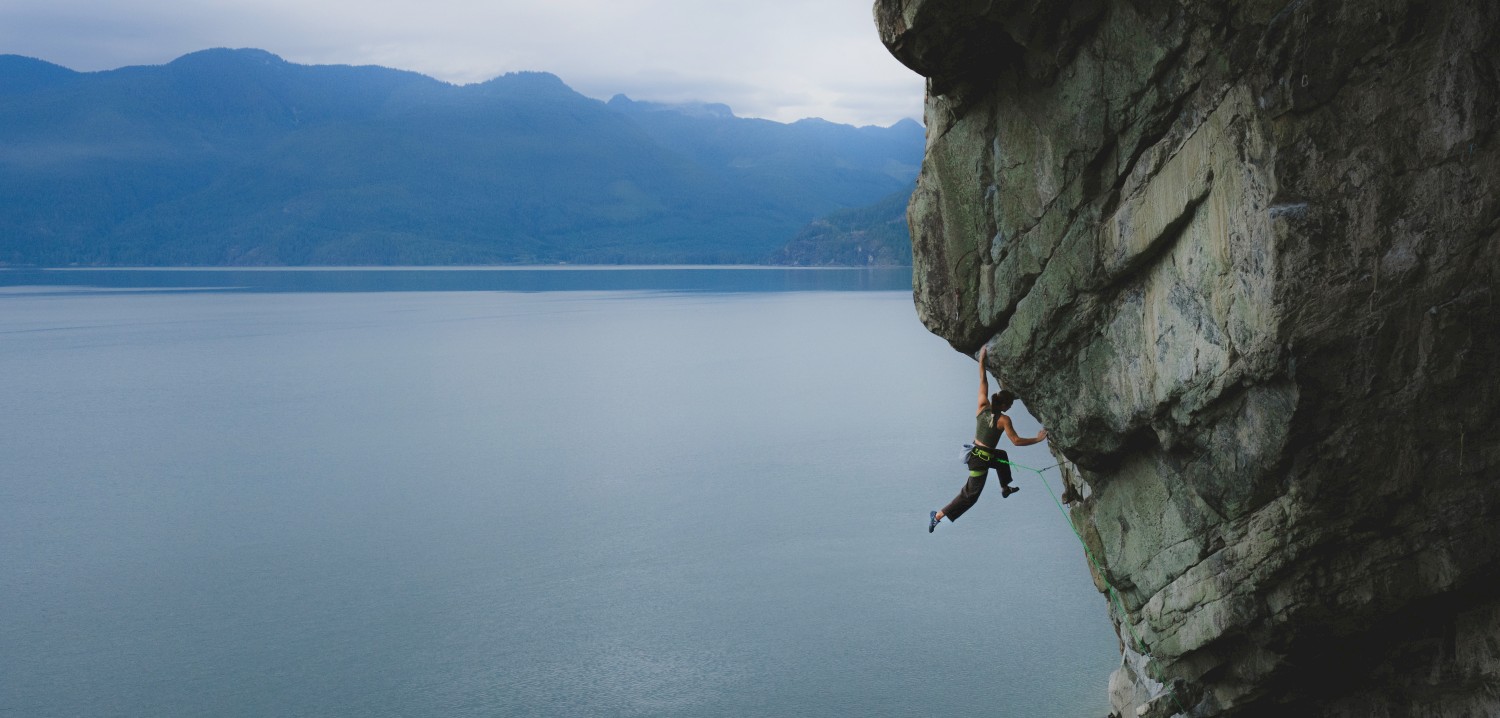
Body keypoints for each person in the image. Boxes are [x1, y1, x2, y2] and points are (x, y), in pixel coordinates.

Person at [929, 346, 1047, 533]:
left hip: (977, 452)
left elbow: (983, 379)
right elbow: (1016, 441)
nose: (1010, 408)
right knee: (970, 495)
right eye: (1010, 405)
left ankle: (1004, 487)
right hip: (979, 462)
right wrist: (1038, 439)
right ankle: (937, 516)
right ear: (1005, 405)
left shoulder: (982, 406)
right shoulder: (1003, 420)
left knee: (1001, 456)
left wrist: (982, 358)